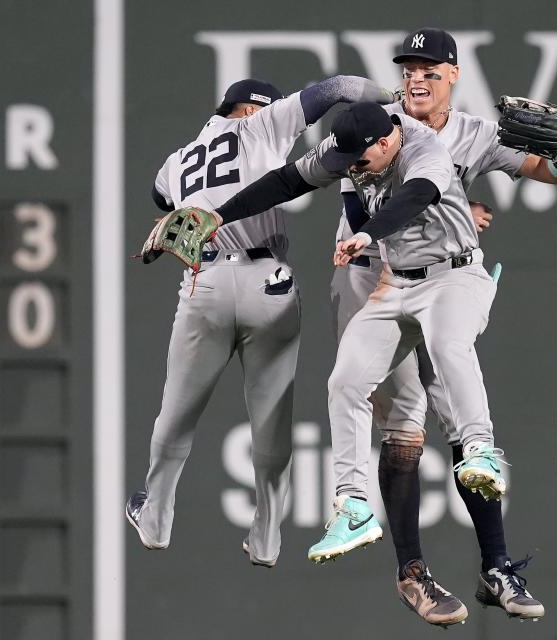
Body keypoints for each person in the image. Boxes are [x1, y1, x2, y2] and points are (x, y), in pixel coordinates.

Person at [208, 100, 514, 628]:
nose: (351, 166)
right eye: (345, 157)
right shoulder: (354, 147)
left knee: (447, 347)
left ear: (388, 140)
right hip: (396, 284)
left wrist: (369, 234)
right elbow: (287, 181)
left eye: (360, 157)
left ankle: (482, 453)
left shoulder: (425, 150)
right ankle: (352, 505)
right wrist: (218, 214)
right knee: (346, 381)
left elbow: (415, 197)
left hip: (453, 276)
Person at [329, 28, 557, 625]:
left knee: (459, 406)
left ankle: (496, 566)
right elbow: (359, 208)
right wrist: (451, 208)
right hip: (370, 272)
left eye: (429, 69)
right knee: (406, 420)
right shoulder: (375, 125)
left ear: (453, 76)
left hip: (437, 277)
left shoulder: (473, 134)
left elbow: (547, 169)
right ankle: (411, 572)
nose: (416, 78)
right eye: (408, 68)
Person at [125, 75, 395, 568]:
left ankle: (156, 518)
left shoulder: (176, 161)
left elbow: (161, 199)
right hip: (268, 282)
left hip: (203, 281)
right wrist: (391, 101)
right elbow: (338, 88)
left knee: (176, 413)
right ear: (249, 110)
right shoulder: (261, 125)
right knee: (271, 421)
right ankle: (267, 538)